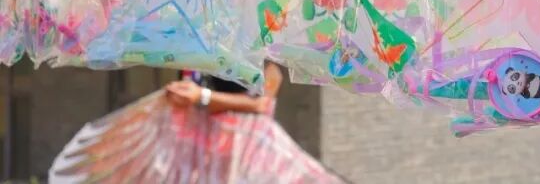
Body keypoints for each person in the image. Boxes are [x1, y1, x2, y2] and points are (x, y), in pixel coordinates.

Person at [49, 61, 346, 184]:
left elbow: (261, 104)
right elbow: (191, 89)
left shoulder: (265, 60)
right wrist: (182, 95)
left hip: (248, 147)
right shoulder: (204, 51)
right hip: (204, 147)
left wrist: (201, 96)